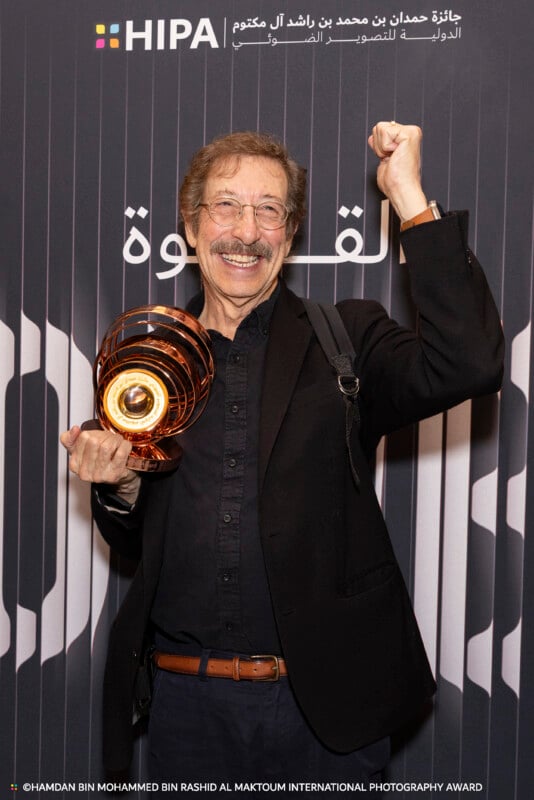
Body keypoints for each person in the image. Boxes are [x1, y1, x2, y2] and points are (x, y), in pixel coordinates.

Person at [61, 122, 504, 791]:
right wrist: (118, 486)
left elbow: (469, 362)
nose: (246, 231)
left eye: (269, 210)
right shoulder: (146, 367)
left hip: (324, 714)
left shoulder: (345, 338)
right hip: (187, 710)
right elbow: (133, 538)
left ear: (289, 234)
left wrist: (409, 195)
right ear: (190, 225)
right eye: (227, 206)